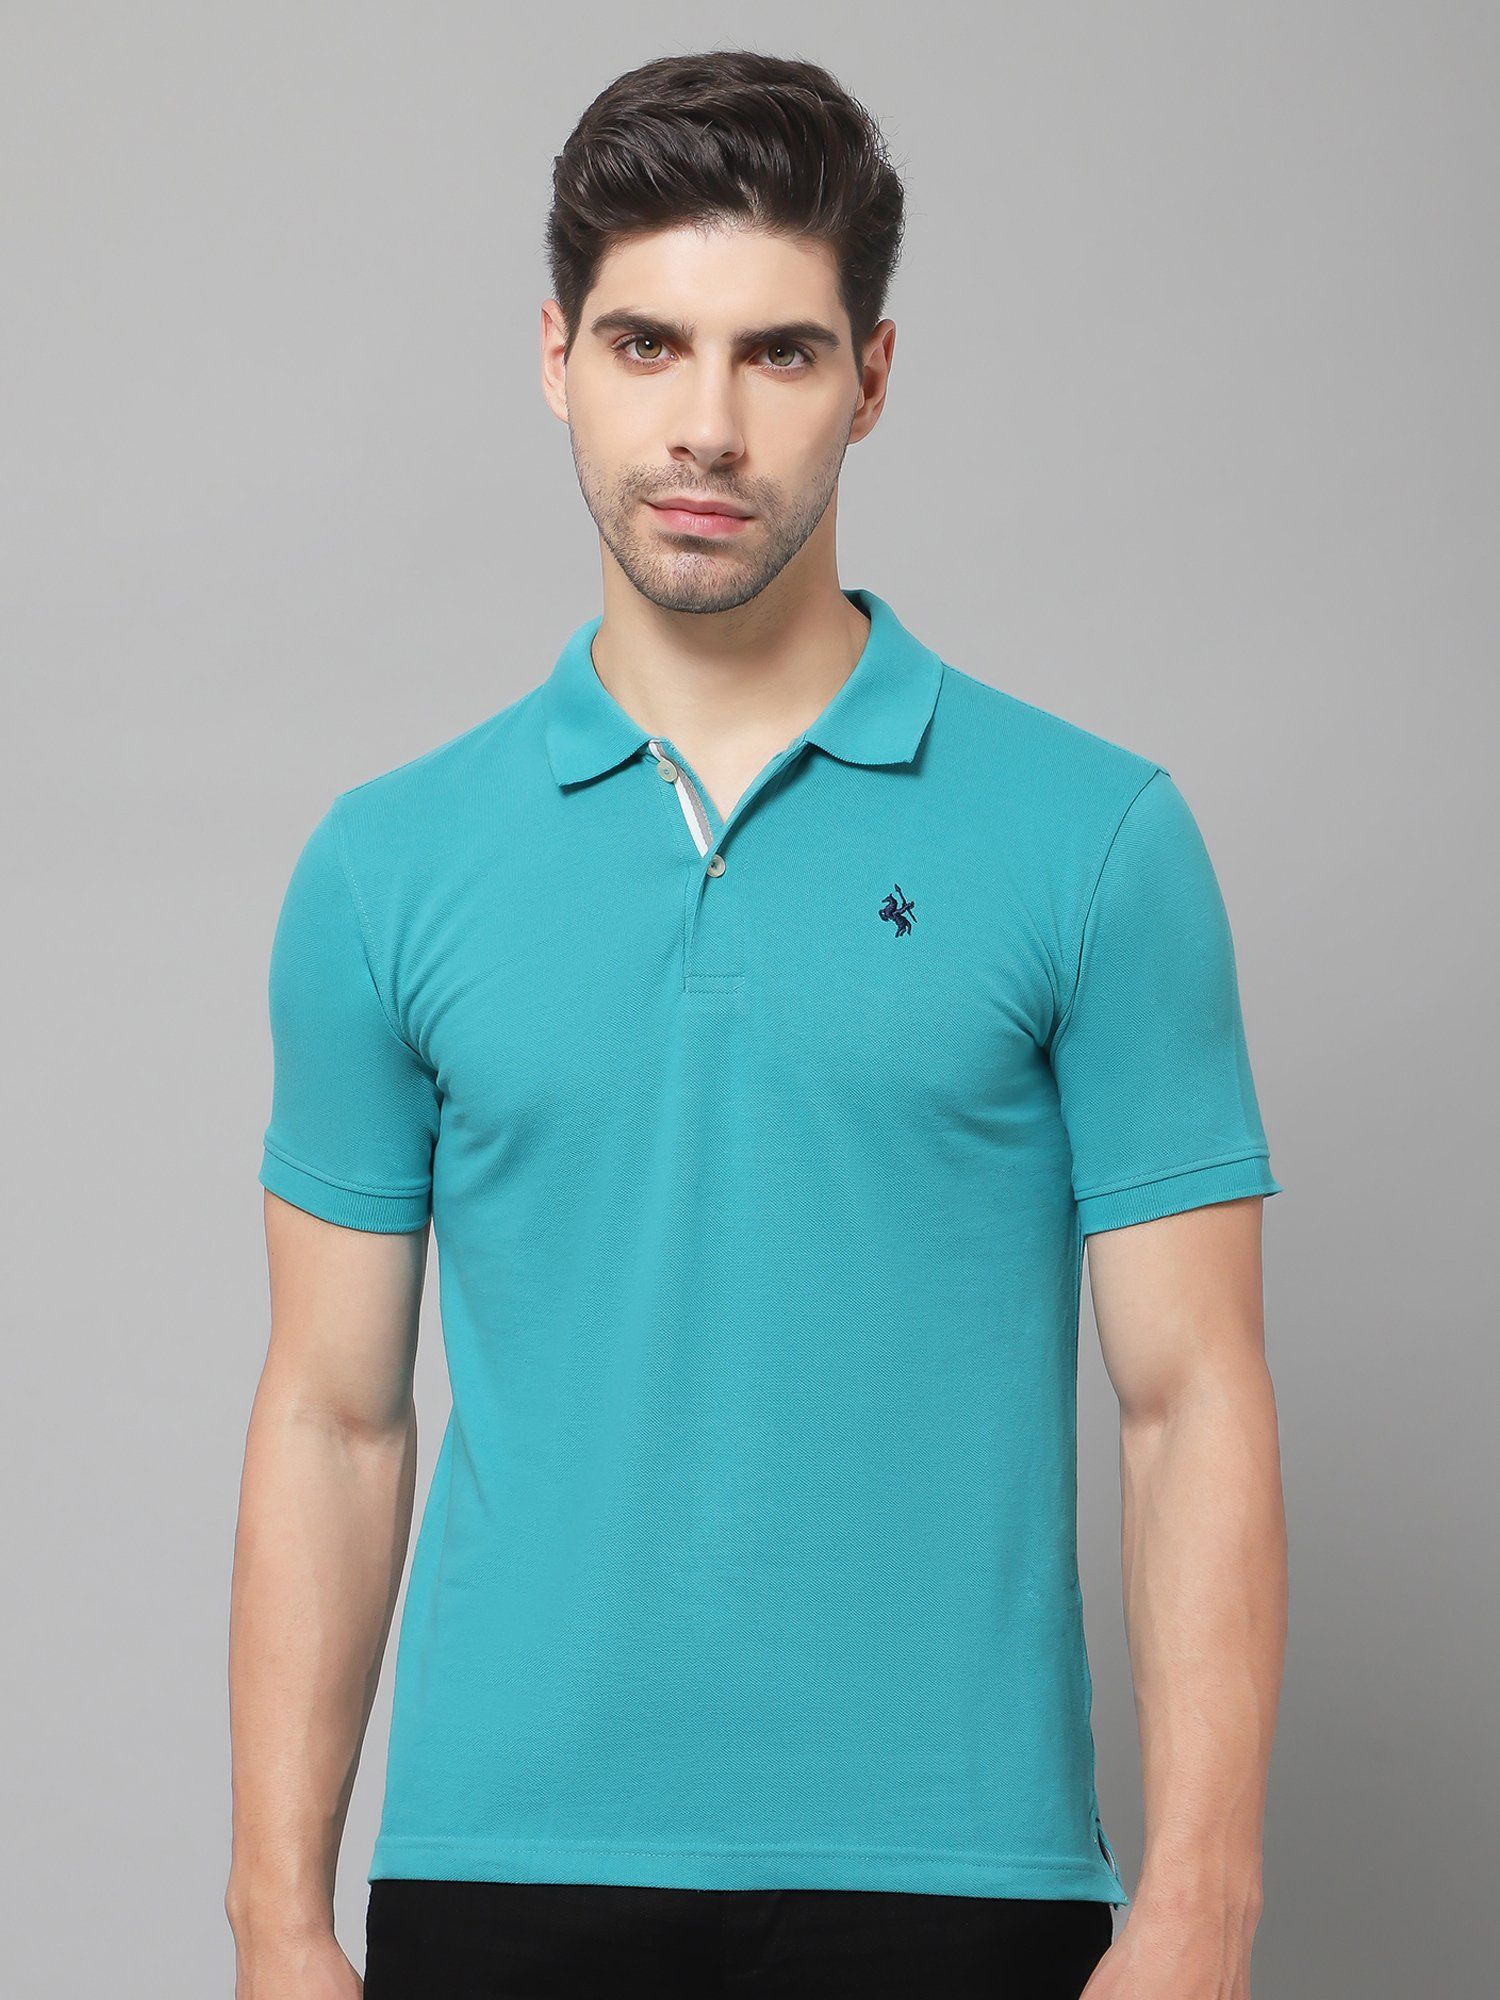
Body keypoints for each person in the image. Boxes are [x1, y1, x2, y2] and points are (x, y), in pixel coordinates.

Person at [226, 48, 1288, 2000]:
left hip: (959, 1884)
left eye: (777, 354)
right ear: (556, 357)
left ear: (871, 377)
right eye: (648, 344)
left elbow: (1192, 1396)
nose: (704, 425)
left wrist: (1203, 1905)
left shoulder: (1094, 839)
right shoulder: (386, 867)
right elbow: (331, 1414)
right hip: (499, 1877)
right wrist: (275, 1918)